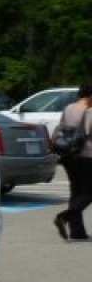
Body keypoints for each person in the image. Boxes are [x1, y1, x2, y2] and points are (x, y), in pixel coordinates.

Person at [53, 82, 92, 241]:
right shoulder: (89, 111)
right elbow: (89, 131)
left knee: (76, 191)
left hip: (68, 155)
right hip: (86, 155)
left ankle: (77, 231)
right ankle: (64, 217)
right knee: (88, 193)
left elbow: (62, 127)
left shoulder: (69, 108)